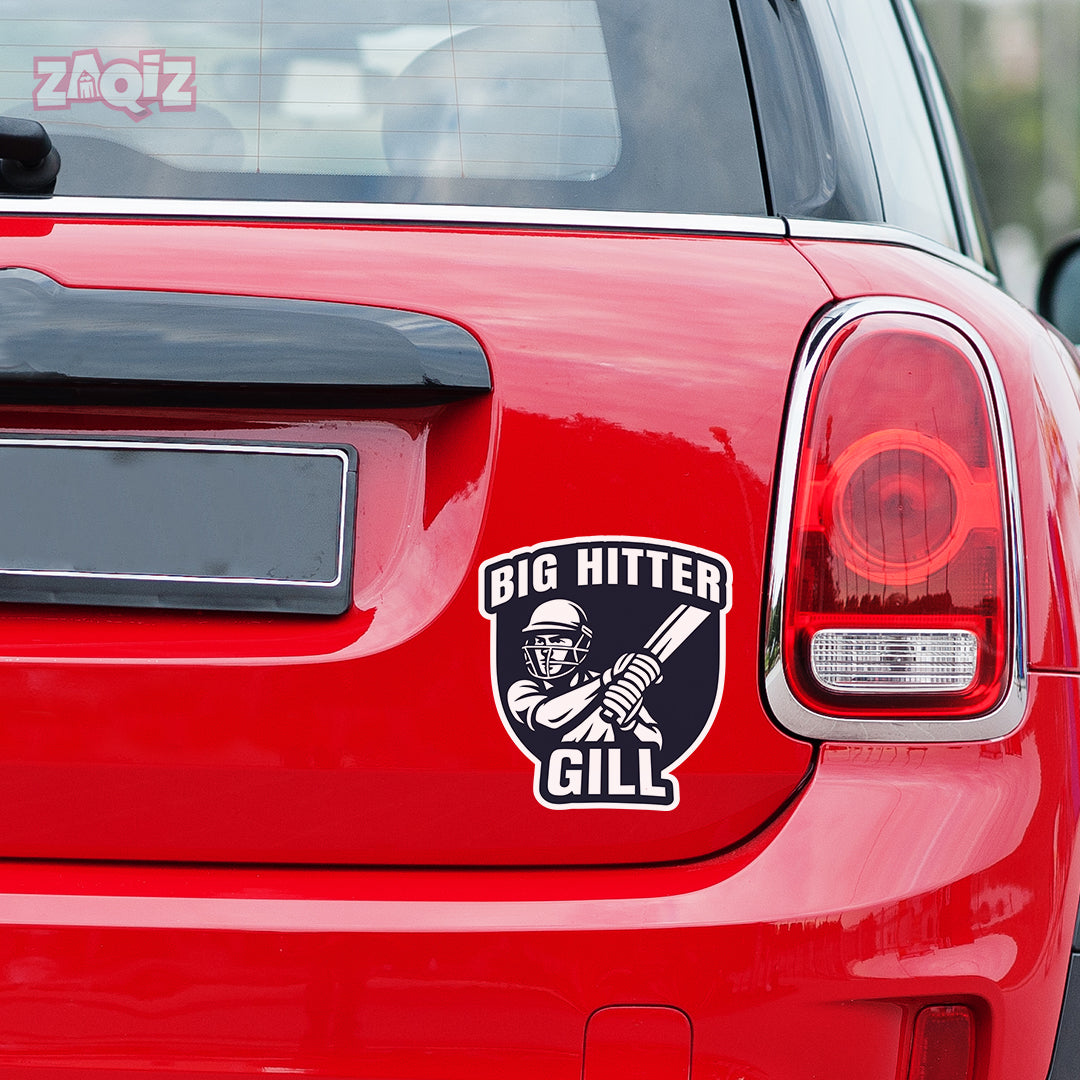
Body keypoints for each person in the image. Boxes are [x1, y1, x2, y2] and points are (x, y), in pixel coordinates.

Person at [506, 598, 662, 746]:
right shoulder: (521, 690)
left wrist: (631, 724)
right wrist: (607, 678)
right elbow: (547, 718)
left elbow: (656, 742)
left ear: (582, 643)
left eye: (557, 640)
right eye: (540, 641)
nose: (545, 650)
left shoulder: (611, 684)